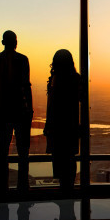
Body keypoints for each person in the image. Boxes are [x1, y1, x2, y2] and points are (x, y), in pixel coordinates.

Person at [0, 31, 33, 191]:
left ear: (3, 42)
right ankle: (22, 186)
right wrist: (30, 109)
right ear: (15, 42)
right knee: (23, 151)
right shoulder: (22, 59)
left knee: (3, 149)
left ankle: (2, 187)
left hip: (2, 108)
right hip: (20, 109)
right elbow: (26, 86)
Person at [43, 49, 81, 190]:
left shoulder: (55, 79)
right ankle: (68, 187)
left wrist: (48, 125)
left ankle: (64, 189)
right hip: (70, 125)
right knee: (69, 158)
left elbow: (51, 106)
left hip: (57, 125)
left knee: (60, 158)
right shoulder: (76, 79)